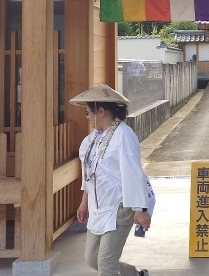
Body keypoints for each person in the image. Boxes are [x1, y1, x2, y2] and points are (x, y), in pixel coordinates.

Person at [73, 85, 153, 276]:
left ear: (100, 111)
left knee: (106, 265)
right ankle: (134, 274)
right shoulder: (91, 140)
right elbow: (89, 173)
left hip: (119, 207)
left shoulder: (123, 135)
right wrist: (84, 202)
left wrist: (140, 209)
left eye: (87, 112)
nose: (86, 117)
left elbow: (132, 173)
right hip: (97, 207)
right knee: (92, 259)